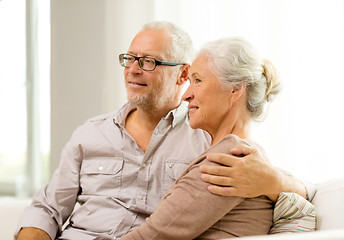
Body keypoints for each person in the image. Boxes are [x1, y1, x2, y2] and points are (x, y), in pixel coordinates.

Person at [16, 21, 313, 240]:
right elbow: (47, 209)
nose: (133, 70)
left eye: (148, 62)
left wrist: (273, 180)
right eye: (129, 59)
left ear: (182, 74)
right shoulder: (89, 134)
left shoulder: (210, 140)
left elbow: (293, 188)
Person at [118, 37, 279, 240]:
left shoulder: (230, 157)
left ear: (236, 89)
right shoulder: (244, 155)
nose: (186, 95)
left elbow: (152, 236)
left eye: (198, 80)